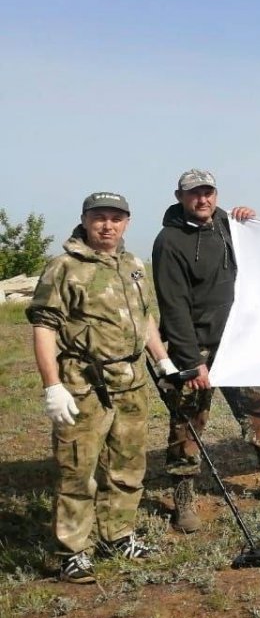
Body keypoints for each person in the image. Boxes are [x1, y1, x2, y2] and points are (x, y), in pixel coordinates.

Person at [153, 169, 260, 533]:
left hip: (238, 344)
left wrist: (249, 221)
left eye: (208, 192)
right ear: (180, 197)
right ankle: (183, 498)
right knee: (188, 425)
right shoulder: (169, 241)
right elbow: (173, 306)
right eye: (194, 194)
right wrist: (191, 361)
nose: (202, 200)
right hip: (196, 349)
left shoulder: (229, 227)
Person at [28, 192, 176, 583]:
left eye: (116, 218)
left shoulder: (133, 266)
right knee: (78, 470)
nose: (107, 225)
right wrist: (52, 386)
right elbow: (44, 327)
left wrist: (162, 361)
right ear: (84, 220)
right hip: (84, 385)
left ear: (126, 223)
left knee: (128, 466)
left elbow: (145, 319)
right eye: (100, 218)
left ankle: (118, 535)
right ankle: (73, 551)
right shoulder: (64, 268)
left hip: (132, 383)